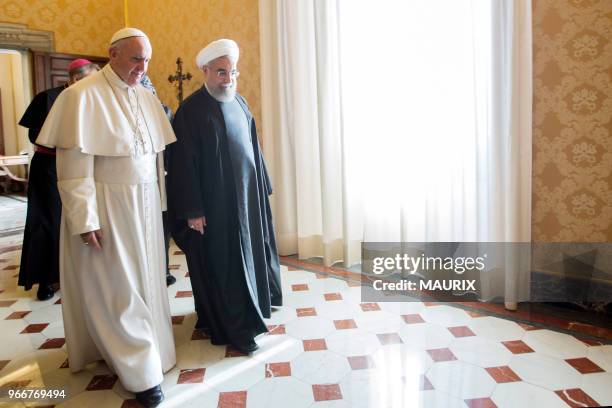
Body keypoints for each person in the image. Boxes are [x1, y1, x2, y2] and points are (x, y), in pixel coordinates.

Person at [35, 28, 176, 408]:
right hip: (108, 207)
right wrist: (85, 219)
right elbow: (74, 171)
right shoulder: (80, 97)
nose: (142, 68)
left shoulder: (145, 96)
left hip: (145, 207)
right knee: (119, 288)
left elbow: (153, 160)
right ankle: (141, 374)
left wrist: (161, 206)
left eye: (146, 59)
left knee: (147, 281)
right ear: (111, 54)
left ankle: (154, 351)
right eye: (135, 59)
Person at [168, 39, 282, 354]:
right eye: (221, 72)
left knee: (250, 256)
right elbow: (181, 165)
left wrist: (263, 186)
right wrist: (192, 210)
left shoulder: (240, 101)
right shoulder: (189, 111)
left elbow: (253, 148)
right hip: (215, 207)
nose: (228, 79)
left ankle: (255, 307)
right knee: (225, 263)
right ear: (205, 70)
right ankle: (237, 329)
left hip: (247, 200)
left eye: (232, 72)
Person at [18, 59, 98, 301]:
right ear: (74, 78)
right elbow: (35, 135)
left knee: (83, 218)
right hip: (49, 168)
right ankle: (46, 278)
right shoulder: (48, 98)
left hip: (85, 166)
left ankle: (80, 275)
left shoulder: (94, 97)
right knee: (49, 220)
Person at [139, 74, 176, 287]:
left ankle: (163, 269)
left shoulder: (164, 112)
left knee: (162, 228)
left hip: (160, 178)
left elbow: (170, 146)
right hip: (137, 180)